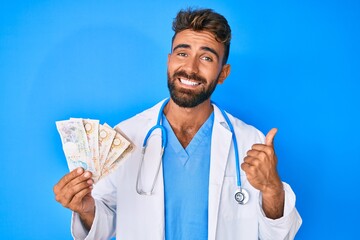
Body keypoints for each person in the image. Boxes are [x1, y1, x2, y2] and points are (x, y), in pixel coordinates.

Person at [53, 8, 302, 240]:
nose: (190, 68)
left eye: (206, 57)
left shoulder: (250, 142)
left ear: (223, 74)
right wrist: (86, 208)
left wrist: (272, 188)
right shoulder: (127, 136)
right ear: (169, 61)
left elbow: (280, 235)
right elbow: (103, 224)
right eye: (182, 53)